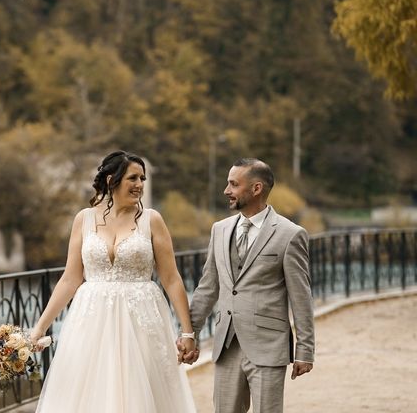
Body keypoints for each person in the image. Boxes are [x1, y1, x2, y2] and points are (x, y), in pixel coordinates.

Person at [30, 151, 197, 412]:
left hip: (141, 320)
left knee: (140, 394)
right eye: (133, 178)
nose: (140, 184)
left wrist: (187, 332)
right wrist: (40, 328)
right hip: (91, 322)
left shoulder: (152, 220)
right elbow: (70, 279)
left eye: (143, 178)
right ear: (111, 180)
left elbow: (171, 279)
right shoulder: (83, 220)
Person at [179, 158, 315, 413]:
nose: (226, 190)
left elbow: (301, 297)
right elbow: (208, 287)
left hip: (268, 345)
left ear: (256, 188)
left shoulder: (290, 234)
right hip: (226, 345)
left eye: (233, 184)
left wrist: (305, 350)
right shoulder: (219, 230)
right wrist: (191, 334)